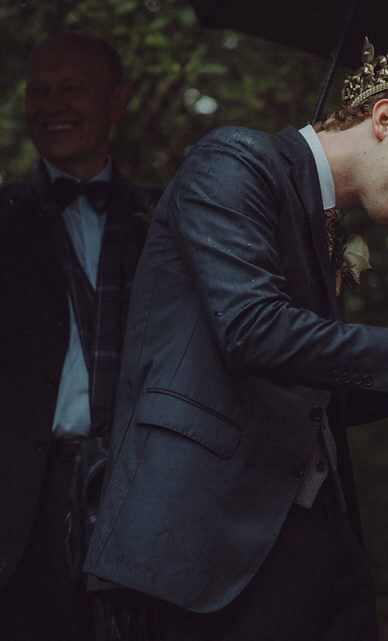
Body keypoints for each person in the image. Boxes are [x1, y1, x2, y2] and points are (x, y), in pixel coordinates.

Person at [80, 27, 388, 641]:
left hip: (309, 544)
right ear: (384, 117)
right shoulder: (234, 161)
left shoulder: (324, 221)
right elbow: (251, 329)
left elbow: (308, 395)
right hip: (201, 534)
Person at [0, 33, 161, 641]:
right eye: (38, 91)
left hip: (143, 485)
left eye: (72, 88)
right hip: (19, 501)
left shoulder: (168, 219)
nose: (52, 105)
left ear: (117, 101)